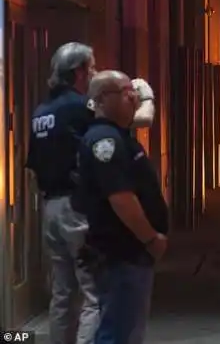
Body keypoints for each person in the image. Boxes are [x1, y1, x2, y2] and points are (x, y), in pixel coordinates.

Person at [25, 42, 158, 344]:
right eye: (93, 67)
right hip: (77, 208)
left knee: (62, 294)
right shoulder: (79, 105)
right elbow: (136, 120)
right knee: (94, 293)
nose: (96, 72)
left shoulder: (41, 112)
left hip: (51, 208)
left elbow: (33, 164)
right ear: (79, 71)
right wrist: (143, 95)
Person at [76, 70, 168, 344]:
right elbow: (121, 197)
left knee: (124, 329)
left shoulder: (119, 135)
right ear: (103, 99)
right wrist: (150, 238)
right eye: (125, 91)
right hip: (122, 253)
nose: (133, 96)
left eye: (134, 92)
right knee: (118, 333)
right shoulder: (106, 141)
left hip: (128, 254)